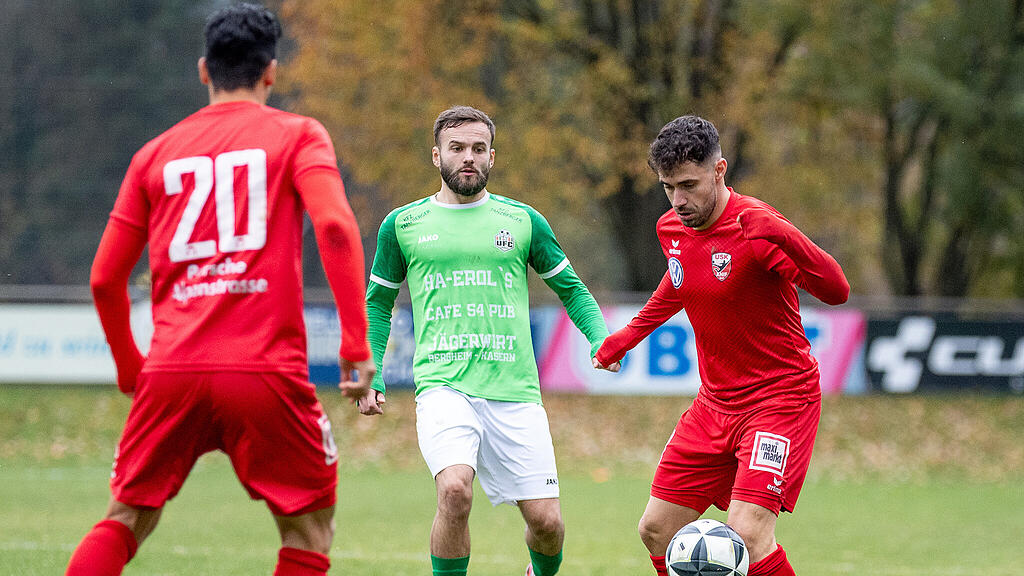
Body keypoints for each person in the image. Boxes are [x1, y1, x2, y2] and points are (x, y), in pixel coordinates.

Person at [65, 5, 374, 575]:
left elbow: (105, 278)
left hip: (172, 370)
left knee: (126, 516)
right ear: (271, 72)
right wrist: (355, 343)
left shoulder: (153, 154)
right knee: (309, 530)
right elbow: (334, 226)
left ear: (204, 70)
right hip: (264, 369)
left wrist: (131, 367)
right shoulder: (298, 135)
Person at [593, 115, 850, 576]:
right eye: (668, 187)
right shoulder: (671, 228)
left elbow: (836, 290)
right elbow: (680, 282)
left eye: (688, 185)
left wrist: (783, 232)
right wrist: (626, 337)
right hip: (714, 405)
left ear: (719, 170)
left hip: (779, 400)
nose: (679, 200)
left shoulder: (756, 228)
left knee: (749, 534)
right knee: (657, 529)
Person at [361, 105, 611, 576]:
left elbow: (572, 290)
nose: (468, 157)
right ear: (437, 155)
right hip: (443, 385)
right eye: (457, 148)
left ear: (492, 156)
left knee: (547, 524)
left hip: (515, 390)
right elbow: (378, 303)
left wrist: (600, 338)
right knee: (454, 490)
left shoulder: (523, 220)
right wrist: (370, 370)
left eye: (478, 148)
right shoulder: (402, 225)